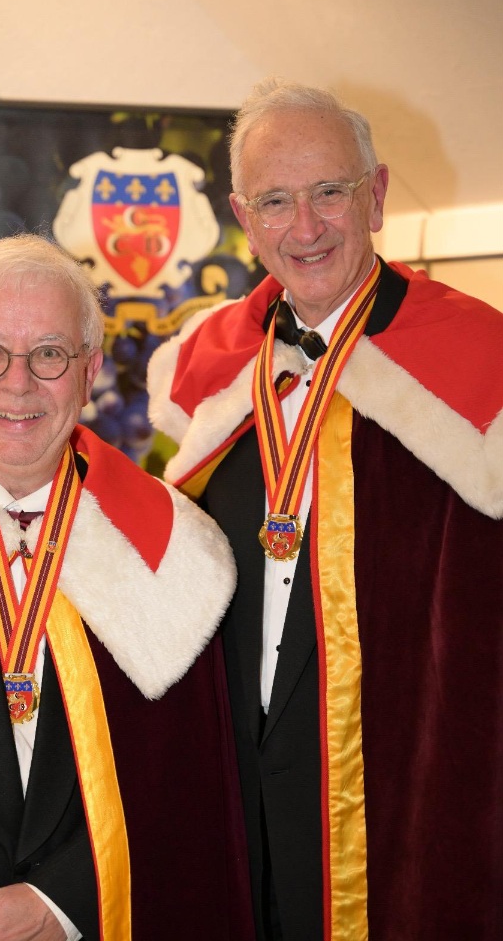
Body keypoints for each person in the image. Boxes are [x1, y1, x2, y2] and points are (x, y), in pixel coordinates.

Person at [147, 77, 503, 941]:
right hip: (233, 767)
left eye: (328, 192)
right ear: (243, 217)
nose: (304, 227)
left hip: (401, 772)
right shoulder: (210, 371)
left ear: (374, 195)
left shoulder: (480, 363)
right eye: (274, 201)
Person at [0, 233, 255, 941]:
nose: (17, 383)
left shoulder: (174, 552)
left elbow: (189, 776)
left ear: (88, 370)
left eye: (48, 354)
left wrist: (64, 901)